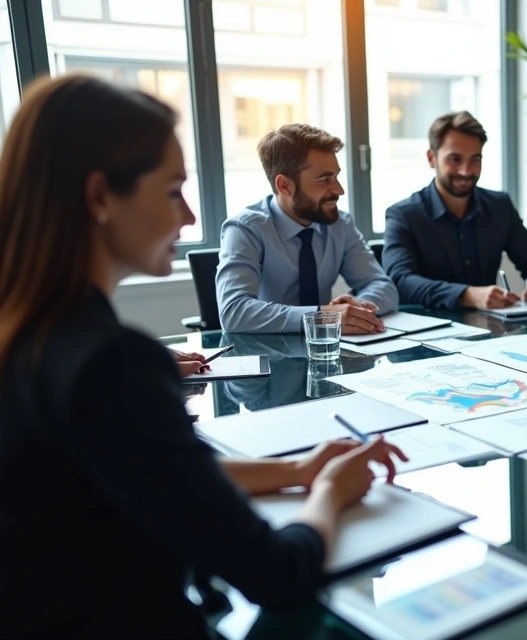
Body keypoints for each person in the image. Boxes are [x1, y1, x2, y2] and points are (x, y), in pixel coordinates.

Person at [0, 75, 405, 638]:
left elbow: (157, 472)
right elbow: (278, 574)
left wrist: (297, 469)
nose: (190, 217)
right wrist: (331, 492)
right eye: (174, 190)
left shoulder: (30, 334)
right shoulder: (113, 365)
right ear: (100, 198)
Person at [216, 124, 398, 333]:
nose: (339, 190)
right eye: (324, 180)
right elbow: (234, 312)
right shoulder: (245, 229)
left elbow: (384, 287)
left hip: (329, 347)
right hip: (266, 349)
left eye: (336, 177)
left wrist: (357, 307)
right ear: (285, 186)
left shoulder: (340, 225)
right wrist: (322, 317)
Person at [383, 111, 527, 309]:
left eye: (475, 159)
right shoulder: (404, 215)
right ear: (432, 158)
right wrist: (467, 295)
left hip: (491, 324)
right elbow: (399, 281)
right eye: (454, 159)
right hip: (430, 324)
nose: (466, 171)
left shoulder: (499, 207)